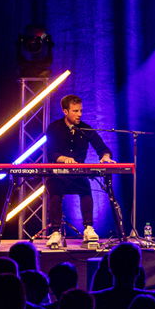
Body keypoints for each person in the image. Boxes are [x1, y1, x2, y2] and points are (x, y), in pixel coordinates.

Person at [44, 93, 117, 249]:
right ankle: (56, 231)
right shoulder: (54, 128)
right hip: (58, 173)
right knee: (55, 190)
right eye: (75, 111)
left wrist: (105, 156)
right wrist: (64, 159)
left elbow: (101, 146)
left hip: (77, 173)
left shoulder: (85, 129)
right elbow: (51, 153)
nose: (79, 114)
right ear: (65, 111)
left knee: (86, 189)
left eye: (80, 111)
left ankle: (88, 228)